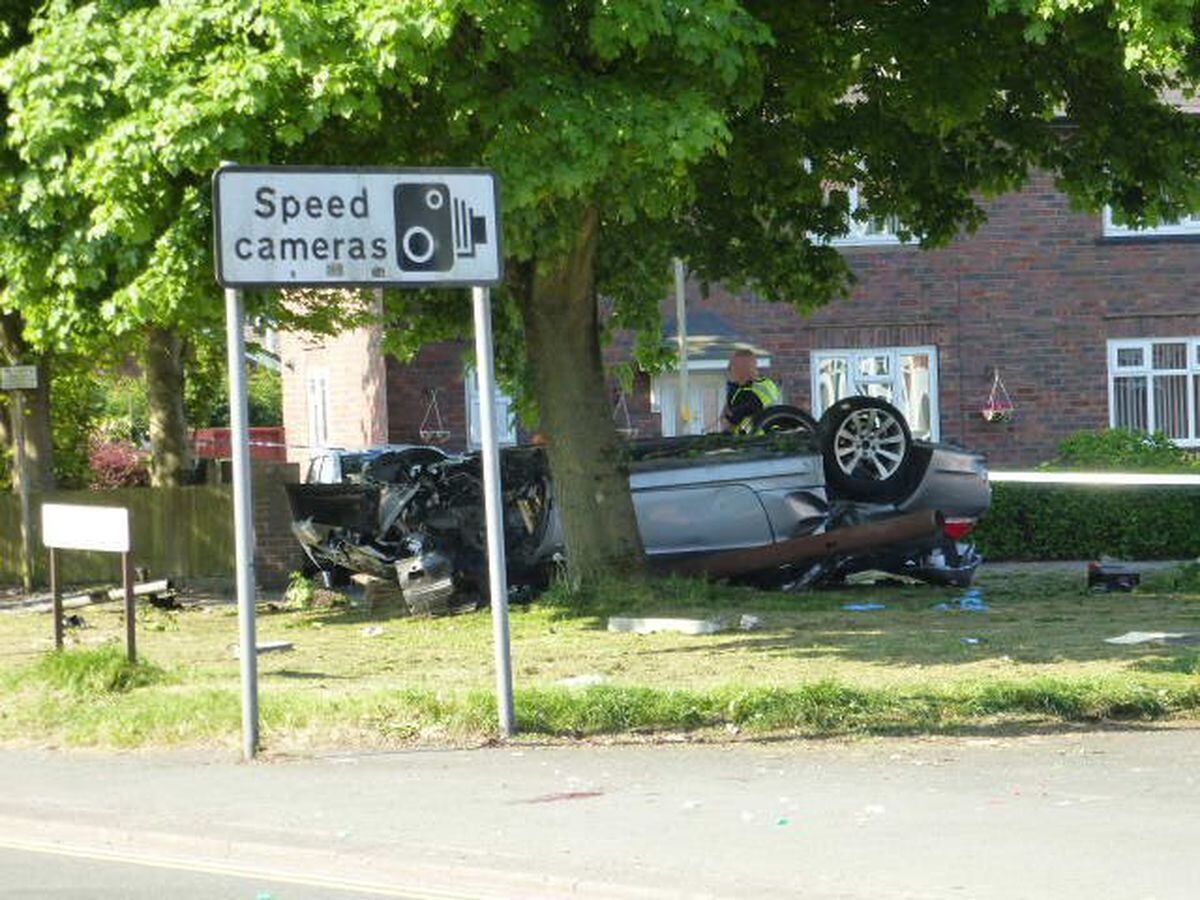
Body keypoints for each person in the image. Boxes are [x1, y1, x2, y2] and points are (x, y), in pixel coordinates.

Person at [721, 349, 782, 433]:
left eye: (732, 370)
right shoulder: (768, 384)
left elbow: (729, 425)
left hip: (756, 442)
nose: (732, 376)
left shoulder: (746, 394)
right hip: (771, 439)